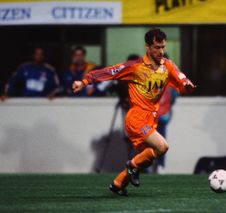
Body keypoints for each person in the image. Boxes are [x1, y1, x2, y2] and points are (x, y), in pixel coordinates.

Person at [72, 28, 196, 196]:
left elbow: (182, 80)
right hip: (137, 118)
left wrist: (188, 85)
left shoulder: (167, 66)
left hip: (152, 119)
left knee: (150, 155)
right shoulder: (135, 67)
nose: (161, 51)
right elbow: (110, 72)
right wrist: (85, 81)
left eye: (163, 47)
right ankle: (132, 166)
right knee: (162, 147)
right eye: (156, 47)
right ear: (147, 47)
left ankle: (118, 184)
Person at [155, 85, 178, 173]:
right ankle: (159, 165)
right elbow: (174, 96)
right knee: (160, 142)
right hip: (160, 115)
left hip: (155, 115)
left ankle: (159, 165)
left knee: (159, 142)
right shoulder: (170, 82)